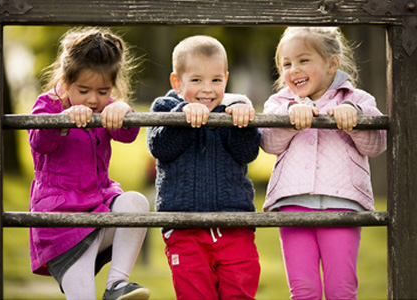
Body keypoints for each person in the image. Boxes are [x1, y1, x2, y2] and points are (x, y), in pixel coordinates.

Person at [260, 27, 387, 300]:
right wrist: (290, 117)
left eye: (304, 60)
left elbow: (376, 146)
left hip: (343, 203)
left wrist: (353, 118)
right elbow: (269, 144)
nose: (294, 69)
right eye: (286, 64)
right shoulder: (280, 102)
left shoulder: (358, 100)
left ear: (332, 64)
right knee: (304, 290)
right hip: (293, 203)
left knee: (340, 289)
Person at [28, 27, 150, 300]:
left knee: (136, 203)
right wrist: (64, 120)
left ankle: (117, 285)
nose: (94, 99)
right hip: (62, 223)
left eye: (103, 91)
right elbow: (39, 142)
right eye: (84, 90)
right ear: (66, 81)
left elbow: (127, 135)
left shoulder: (106, 107)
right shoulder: (48, 104)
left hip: (99, 210)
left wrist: (123, 110)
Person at [146, 35, 261, 300]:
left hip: (235, 226)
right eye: (196, 80)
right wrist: (182, 116)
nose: (207, 89)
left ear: (226, 79)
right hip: (185, 228)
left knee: (240, 293)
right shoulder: (164, 107)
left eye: (216, 80)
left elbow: (248, 153)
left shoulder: (232, 110)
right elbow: (160, 148)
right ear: (177, 82)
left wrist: (242, 122)